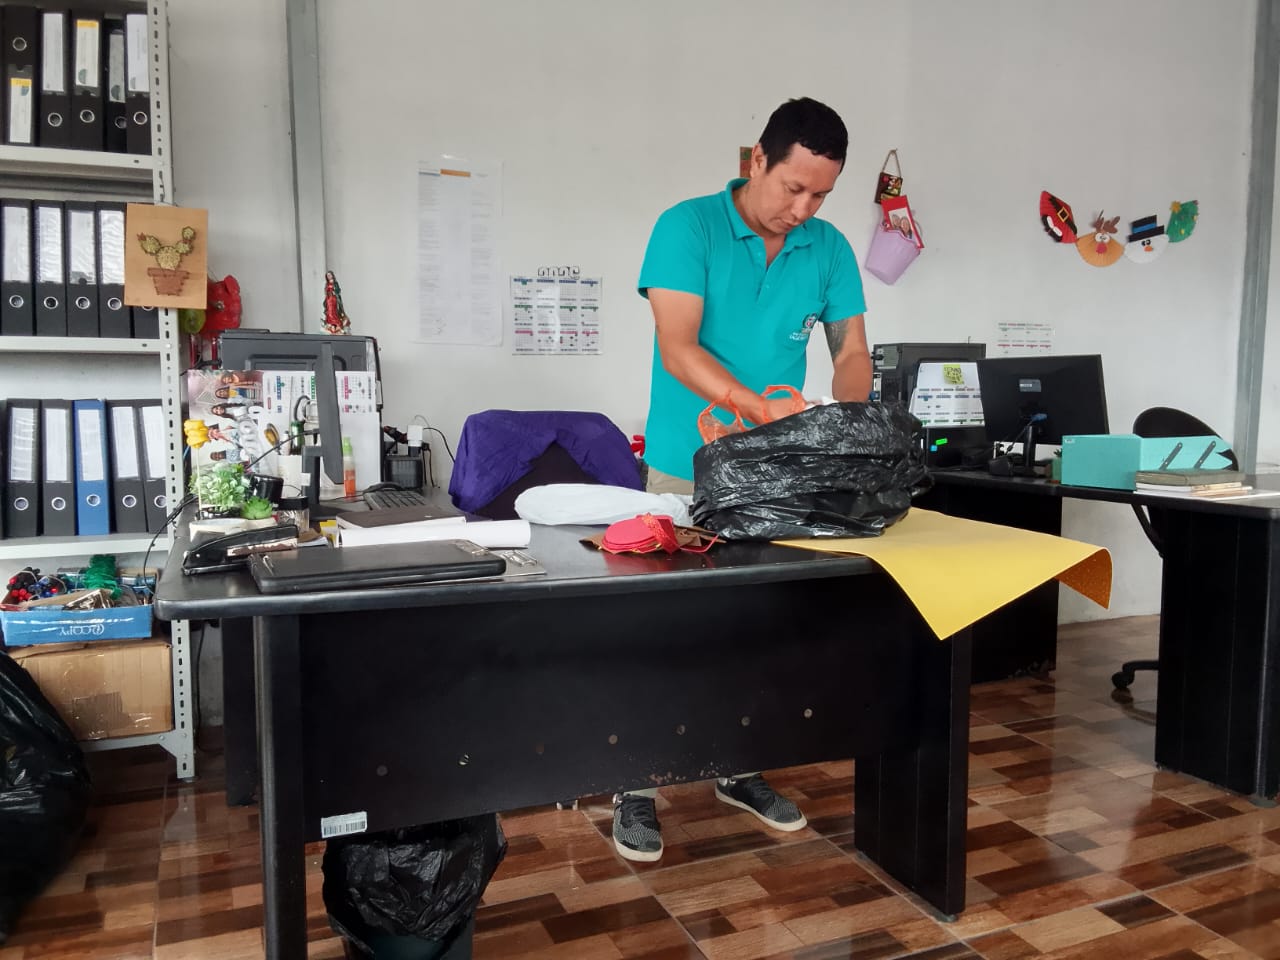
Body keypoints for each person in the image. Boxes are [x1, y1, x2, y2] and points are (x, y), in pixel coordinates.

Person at [618, 96, 871, 863]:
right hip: (683, 463)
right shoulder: (687, 227)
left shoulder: (828, 248)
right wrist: (751, 406)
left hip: (775, 473)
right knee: (662, 629)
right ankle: (634, 782)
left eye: (821, 194)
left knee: (754, 625)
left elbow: (852, 351)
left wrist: (845, 424)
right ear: (755, 160)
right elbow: (678, 346)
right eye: (793, 187)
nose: (804, 208)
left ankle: (738, 765)